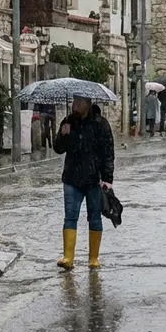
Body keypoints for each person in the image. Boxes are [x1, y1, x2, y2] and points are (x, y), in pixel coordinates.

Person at [53, 96, 115, 270]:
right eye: (74, 102)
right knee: (70, 216)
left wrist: (107, 178)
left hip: (94, 179)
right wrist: (63, 135)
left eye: (79, 102)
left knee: (94, 217)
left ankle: (93, 258)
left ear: (88, 103)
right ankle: (68, 257)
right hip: (72, 178)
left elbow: (108, 152)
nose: (75, 105)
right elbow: (58, 148)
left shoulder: (100, 124)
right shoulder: (68, 122)